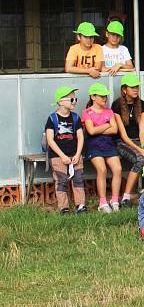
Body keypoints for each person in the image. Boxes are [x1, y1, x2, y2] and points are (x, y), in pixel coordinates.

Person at [45, 86, 87, 214]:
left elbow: (80, 137)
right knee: (61, 180)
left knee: (78, 179)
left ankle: (81, 205)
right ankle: (64, 207)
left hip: (75, 155)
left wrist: (78, 154)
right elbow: (50, 140)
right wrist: (62, 156)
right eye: (71, 99)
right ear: (60, 101)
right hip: (58, 156)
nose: (74, 101)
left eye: (75, 99)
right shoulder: (52, 118)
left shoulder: (75, 117)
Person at [82, 82, 122, 213]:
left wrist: (98, 128)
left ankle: (115, 200)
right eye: (101, 96)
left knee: (118, 168)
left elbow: (115, 129)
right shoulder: (87, 112)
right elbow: (91, 132)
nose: (105, 98)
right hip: (93, 145)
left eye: (105, 96)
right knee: (102, 169)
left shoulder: (109, 111)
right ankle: (103, 203)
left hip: (108, 144)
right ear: (93, 97)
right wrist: (106, 125)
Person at [111, 73, 144, 208]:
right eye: (132, 87)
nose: (135, 89)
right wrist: (140, 150)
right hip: (122, 142)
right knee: (140, 159)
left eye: (137, 87)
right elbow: (123, 135)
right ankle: (126, 197)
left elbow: (142, 130)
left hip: (139, 140)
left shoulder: (142, 105)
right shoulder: (116, 105)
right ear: (124, 90)